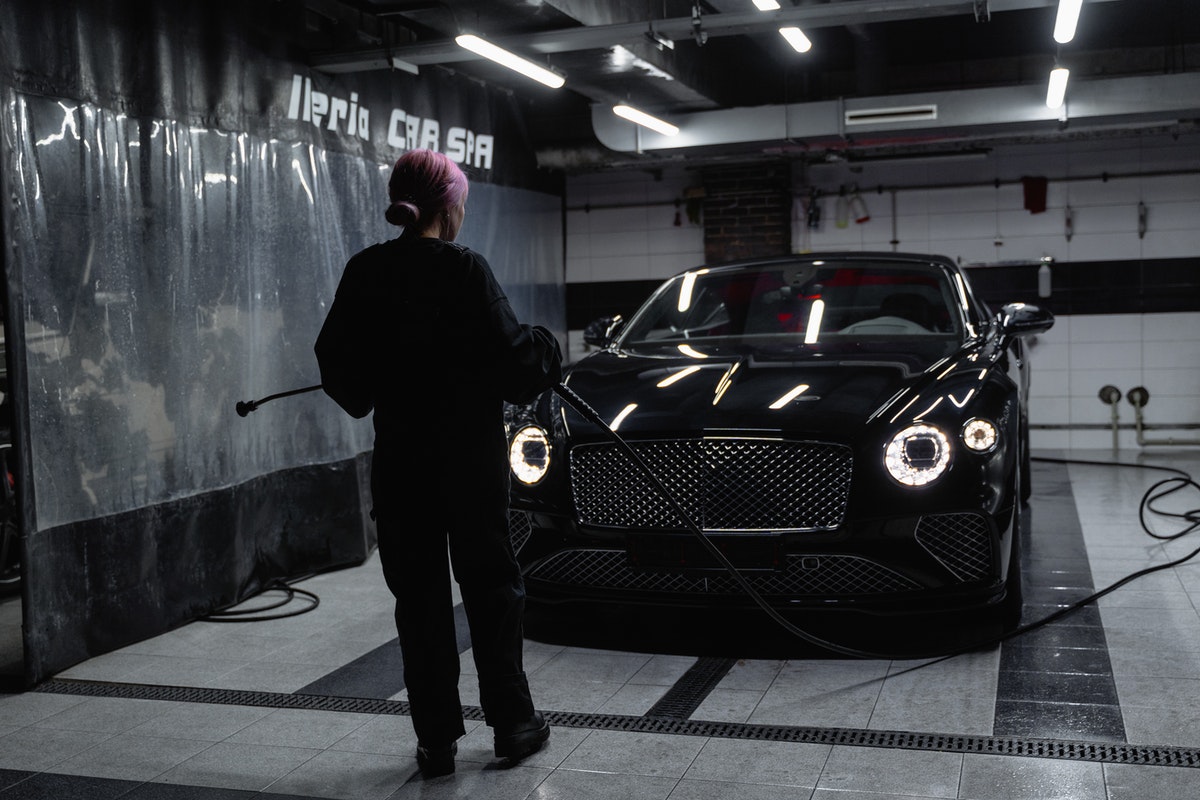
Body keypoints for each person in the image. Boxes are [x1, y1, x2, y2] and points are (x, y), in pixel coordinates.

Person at [314, 149, 561, 778]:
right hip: (471, 469)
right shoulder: (465, 270)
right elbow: (519, 369)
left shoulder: (366, 271)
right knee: (493, 593)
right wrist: (545, 344)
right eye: (461, 206)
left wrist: (382, 382)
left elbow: (339, 371)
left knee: (419, 604)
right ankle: (513, 726)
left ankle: (436, 743)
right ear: (447, 207)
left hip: (402, 470)